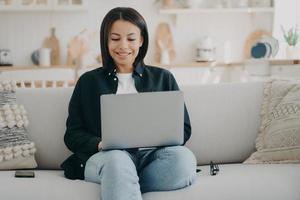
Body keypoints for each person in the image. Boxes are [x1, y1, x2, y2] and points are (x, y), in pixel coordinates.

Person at [61, 7, 197, 200]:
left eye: (131, 39)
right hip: (107, 159)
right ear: (106, 41)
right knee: (118, 161)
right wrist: (100, 144)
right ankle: (120, 177)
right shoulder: (88, 82)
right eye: (115, 38)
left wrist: (157, 138)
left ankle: (122, 182)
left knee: (184, 160)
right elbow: (72, 135)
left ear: (141, 40)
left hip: (150, 159)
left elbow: (184, 129)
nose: (123, 46)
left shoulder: (163, 78)